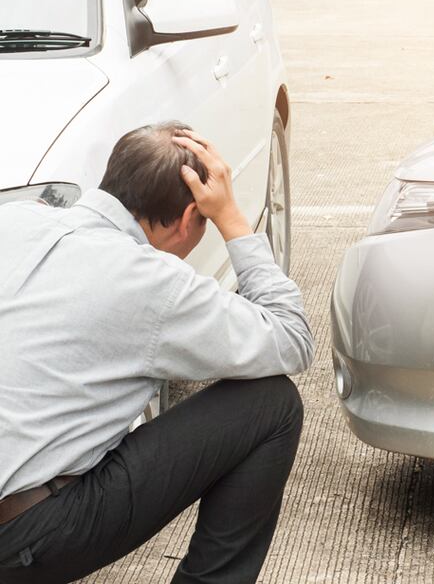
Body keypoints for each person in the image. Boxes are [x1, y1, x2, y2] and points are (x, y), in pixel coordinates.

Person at [0, 122, 314, 584]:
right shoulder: (153, 281)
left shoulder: (14, 220)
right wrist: (231, 219)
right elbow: (293, 337)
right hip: (22, 540)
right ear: (189, 219)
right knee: (272, 405)